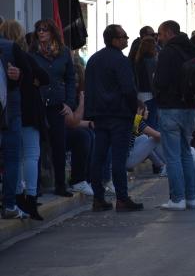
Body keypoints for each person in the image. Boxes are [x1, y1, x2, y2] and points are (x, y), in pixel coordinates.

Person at [85, 24, 142, 212]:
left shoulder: (93, 59)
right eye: (124, 36)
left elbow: (89, 88)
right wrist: (136, 107)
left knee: (98, 157)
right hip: (119, 115)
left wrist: (90, 113)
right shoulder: (120, 60)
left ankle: (98, 198)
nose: (127, 39)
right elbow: (128, 88)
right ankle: (122, 198)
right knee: (118, 158)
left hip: (99, 115)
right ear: (115, 40)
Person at [154, 20, 195, 210]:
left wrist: (158, 95)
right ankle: (192, 198)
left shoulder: (167, 53)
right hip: (190, 109)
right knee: (186, 152)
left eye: (160, 34)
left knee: (173, 156)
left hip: (170, 108)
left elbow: (160, 80)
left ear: (168, 33)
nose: (158, 38)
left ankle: (177, 199)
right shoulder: (193, 50)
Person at [30, 19, 76, 197]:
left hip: (58, 104)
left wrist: (69, 103)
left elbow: (71, 79)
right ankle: (37, 185)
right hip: (38, 104)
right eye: (38, 30)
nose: (41, 33)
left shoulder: (63, 53)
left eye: (44, 30)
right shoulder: (32, 53)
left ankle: (60, 184)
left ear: (52, 33)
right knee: (38, 145)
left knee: (59, 145)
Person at [0, 21, 35, 219]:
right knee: (12, 157)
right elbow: (28, 75)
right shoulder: (10, 47)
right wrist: (18, 75)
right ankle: (9, 204)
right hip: (9, 110)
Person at [134, 36, 158, 128]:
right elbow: (153, 79)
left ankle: (136, 140)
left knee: (139, 123)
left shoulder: (137, 61)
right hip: (150, 95)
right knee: (151, 123)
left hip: (139, 95)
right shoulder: (153, 61)